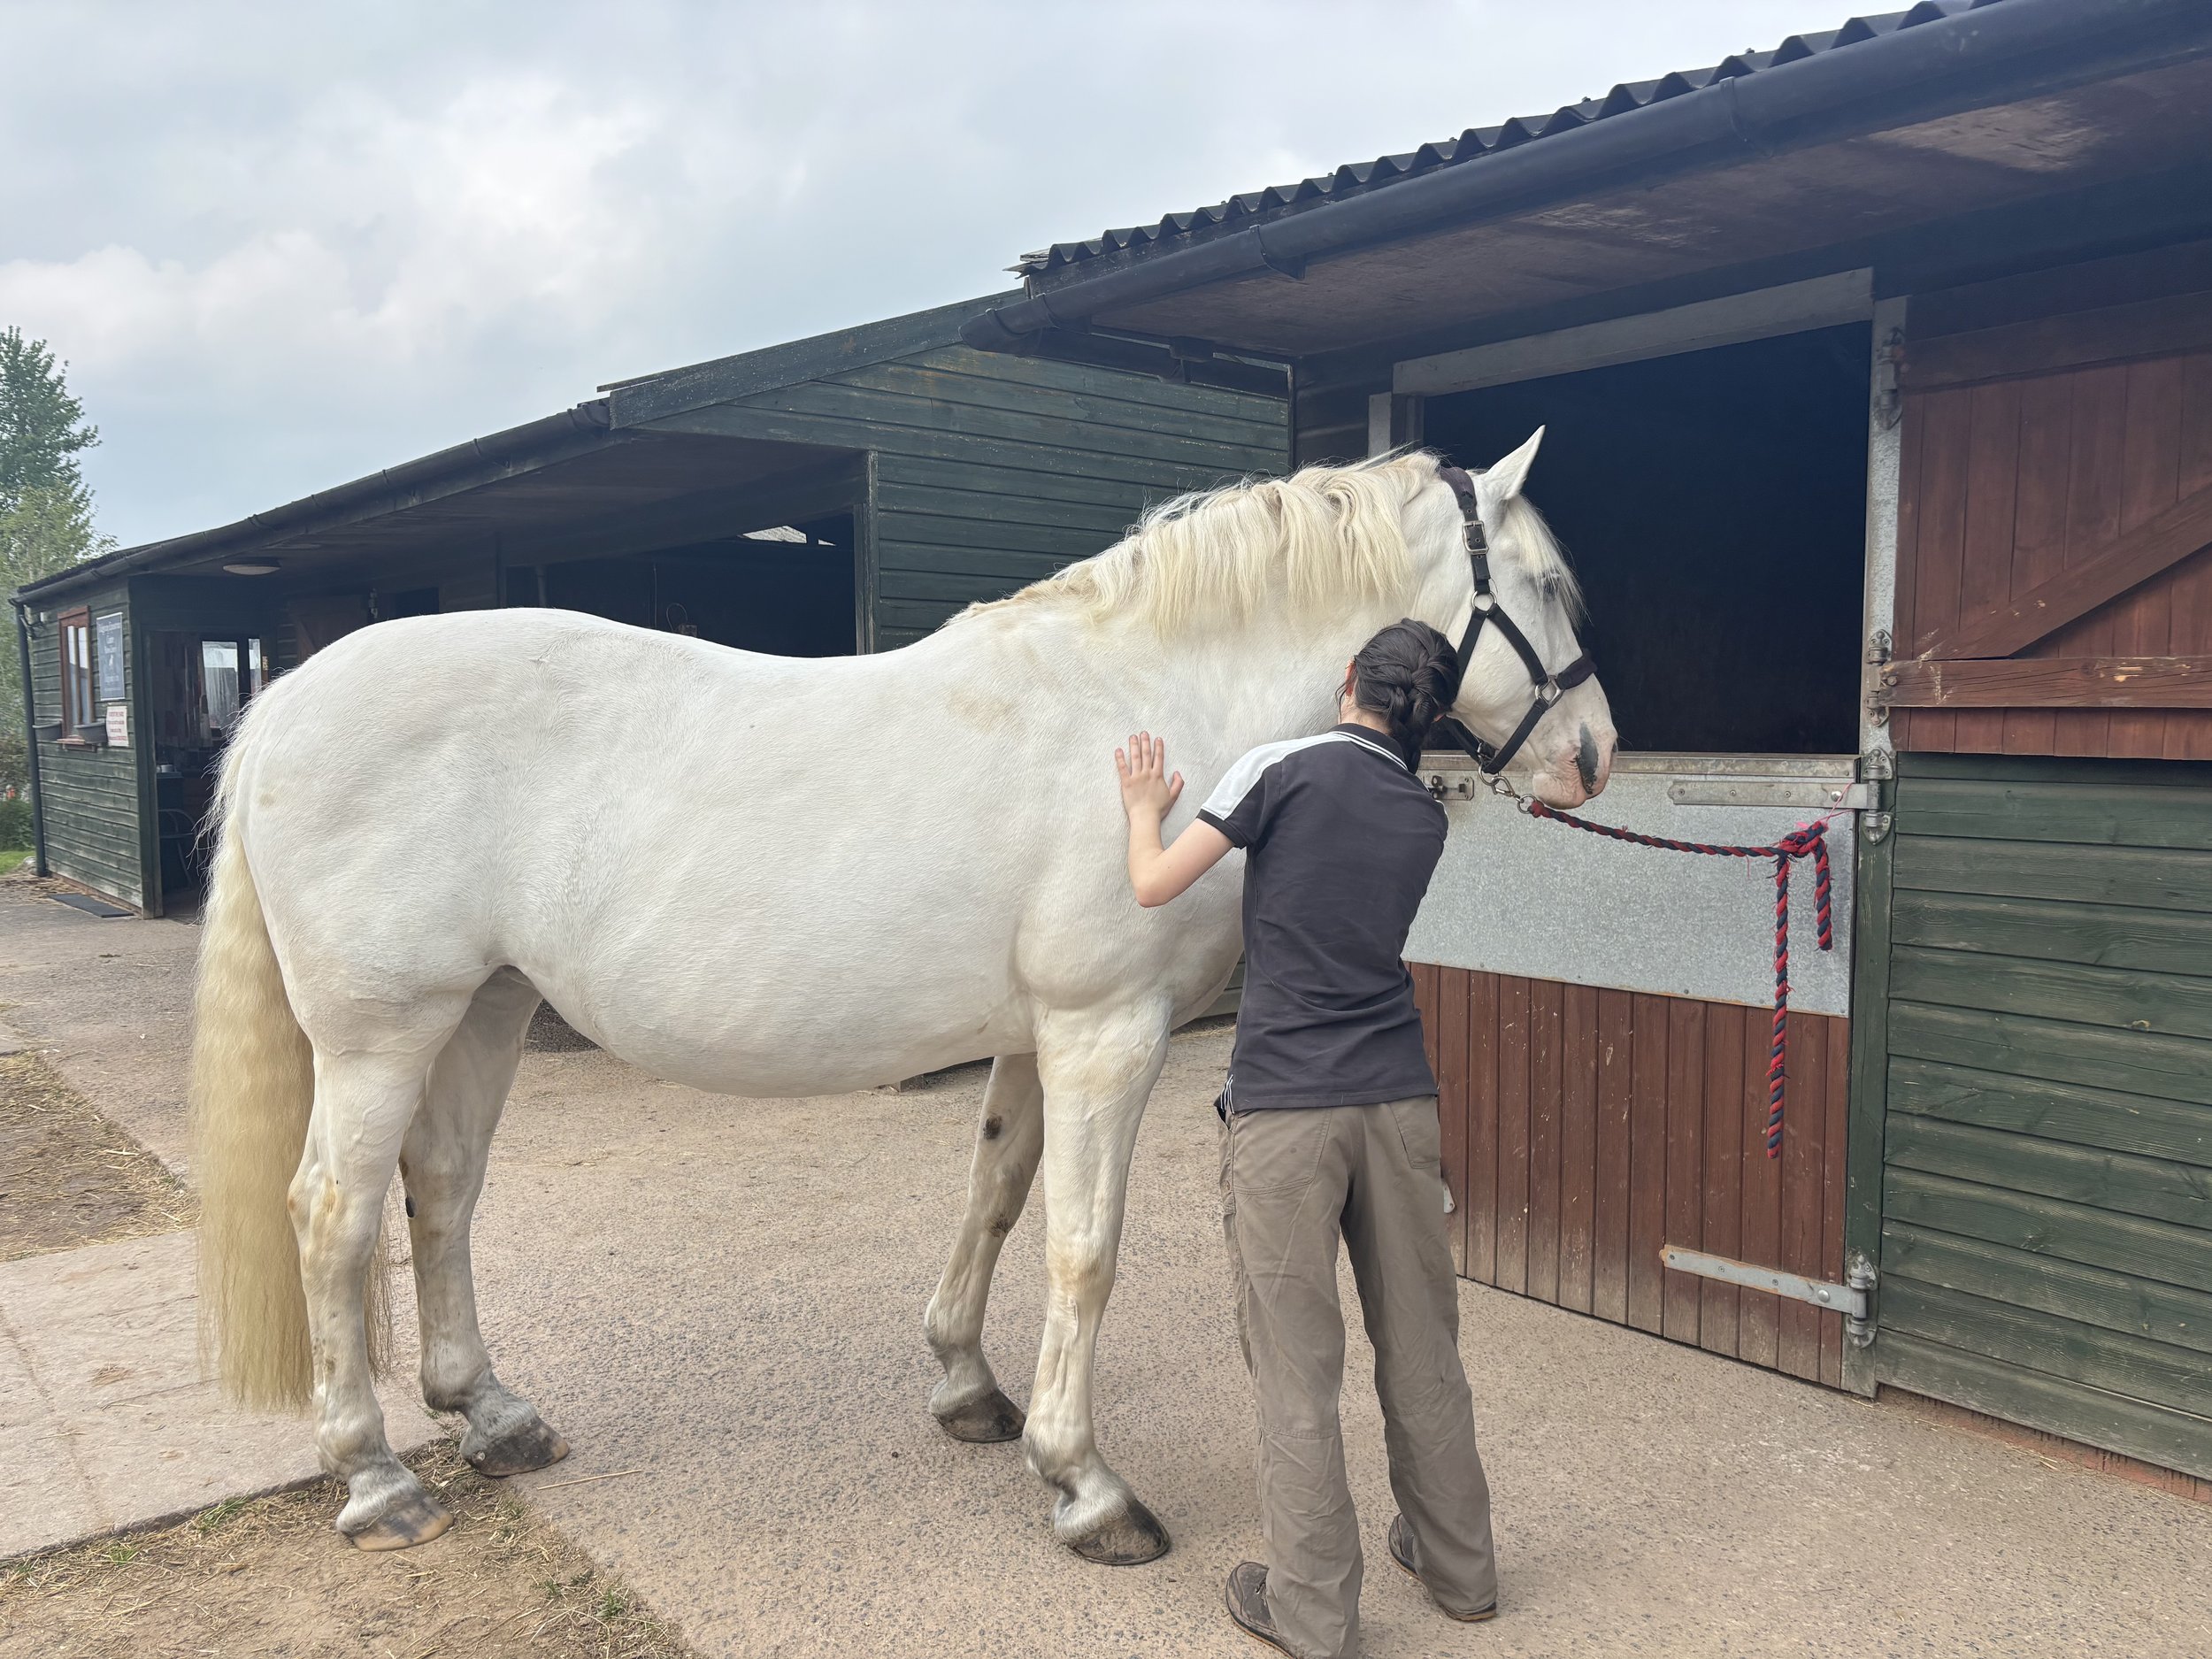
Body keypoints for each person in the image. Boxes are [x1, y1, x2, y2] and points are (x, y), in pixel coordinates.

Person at [1113, 618, 1498, 1659]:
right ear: (1427, 718)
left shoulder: (1278, 768)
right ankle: (1461, 1569)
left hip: (1288, 1105)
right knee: (1422, 1343)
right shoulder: (1423, 813)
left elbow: (1154, 885)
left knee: (1295, 1368)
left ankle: (1313, 1613)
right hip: (1398, 1102)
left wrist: (1142, 811)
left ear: (1346, 681)